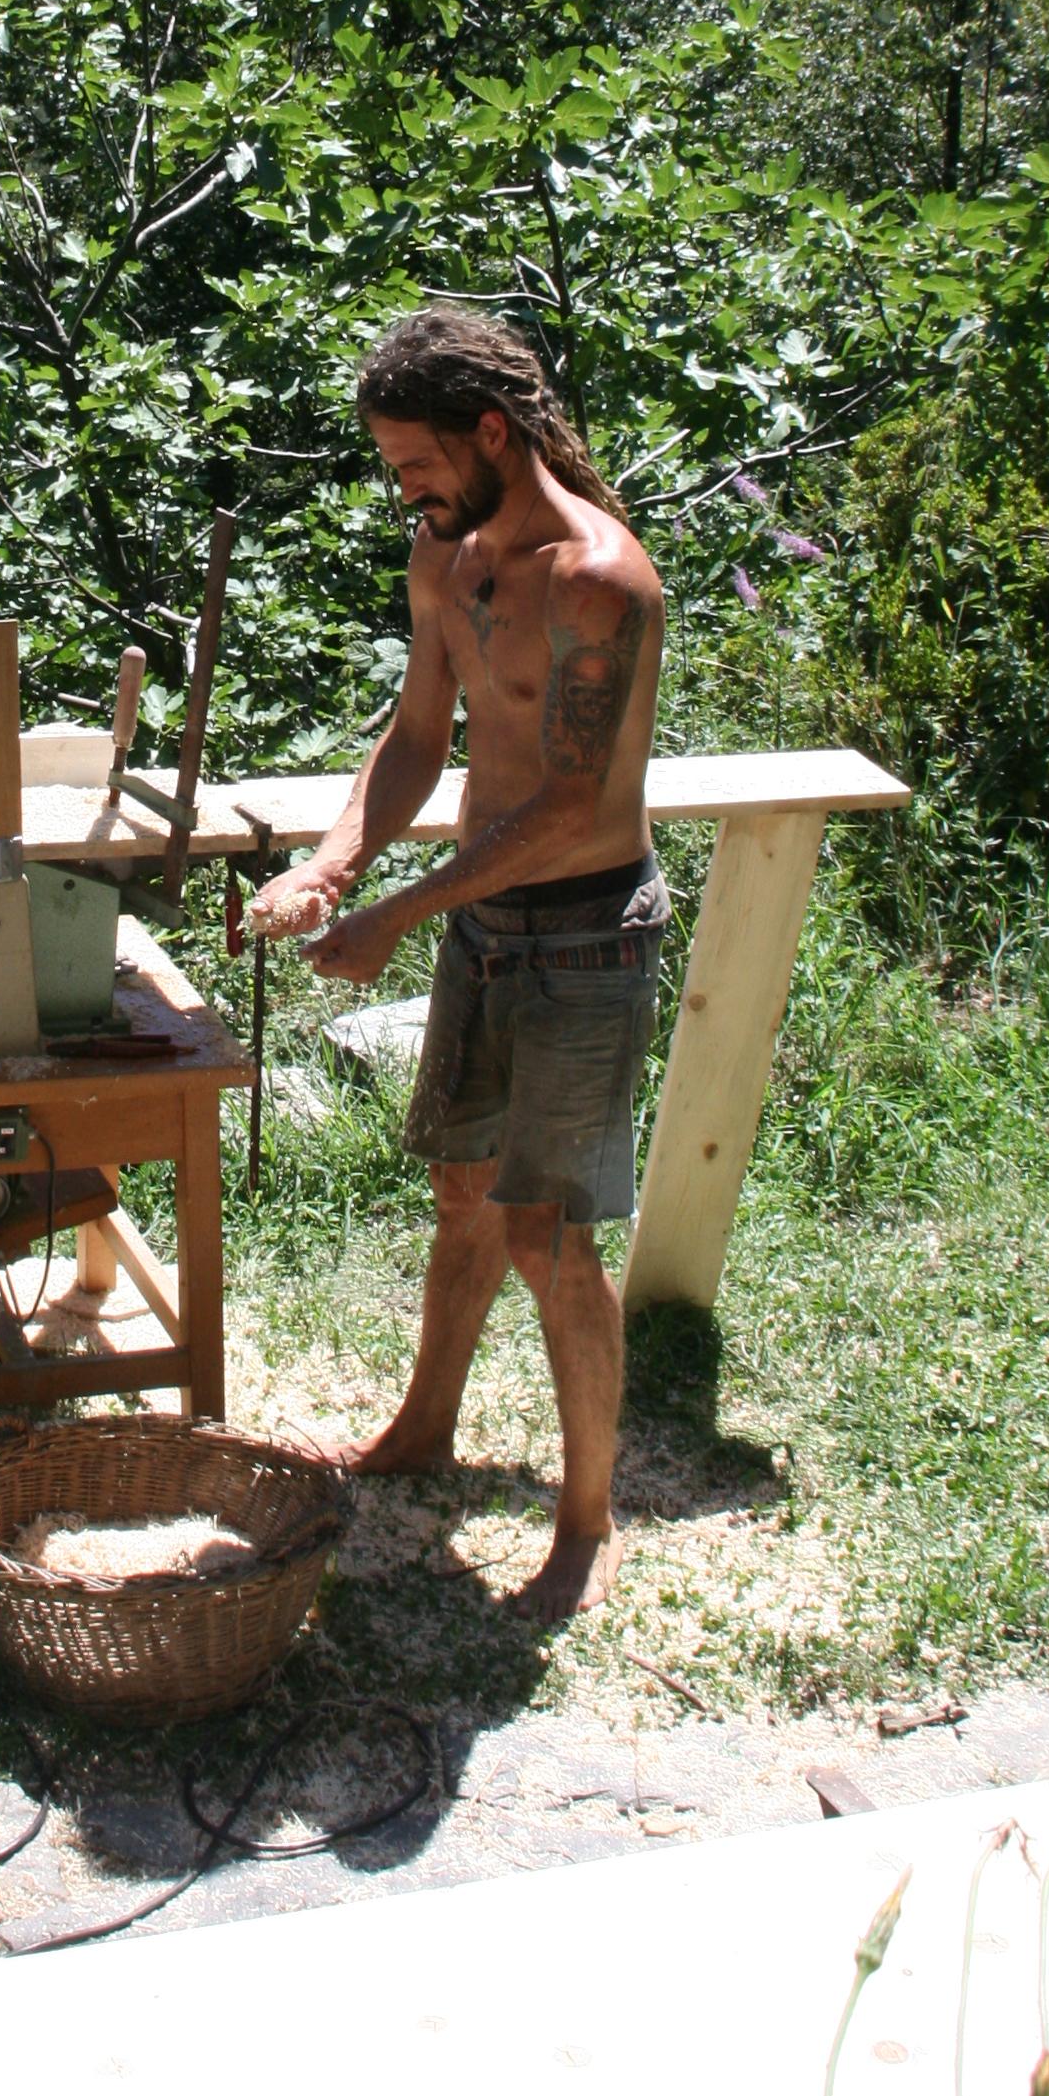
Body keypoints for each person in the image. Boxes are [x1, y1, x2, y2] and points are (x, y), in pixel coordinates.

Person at [252, 305, 667, 1620]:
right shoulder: (445, 558)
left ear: (493, 432)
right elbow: (417, 740)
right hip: (489, 927)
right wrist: (333, 864)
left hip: (589, 934)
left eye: (416, 463)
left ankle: (585, 1523)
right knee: (463, 1192)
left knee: (551, 1239)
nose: (404, 490)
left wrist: (398, 910)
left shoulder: (601, 581)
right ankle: (424, 1428)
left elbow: (562, 803)